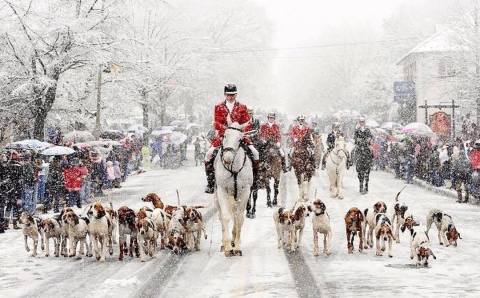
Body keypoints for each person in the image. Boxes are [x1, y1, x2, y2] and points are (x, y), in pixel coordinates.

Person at [204, 83, 260, 194]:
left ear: (236, 94)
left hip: (239, 136)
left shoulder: (242, 107)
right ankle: (210, 182)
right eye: (229, 95)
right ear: (225, 94)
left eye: (233, 94)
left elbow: (247, 122)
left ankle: (255, 180)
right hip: (223, 136)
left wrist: (238, 129)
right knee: (209, 154)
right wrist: (227, 129)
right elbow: (217, 123)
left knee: (255, 152)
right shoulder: (218, 107)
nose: (231, 97)